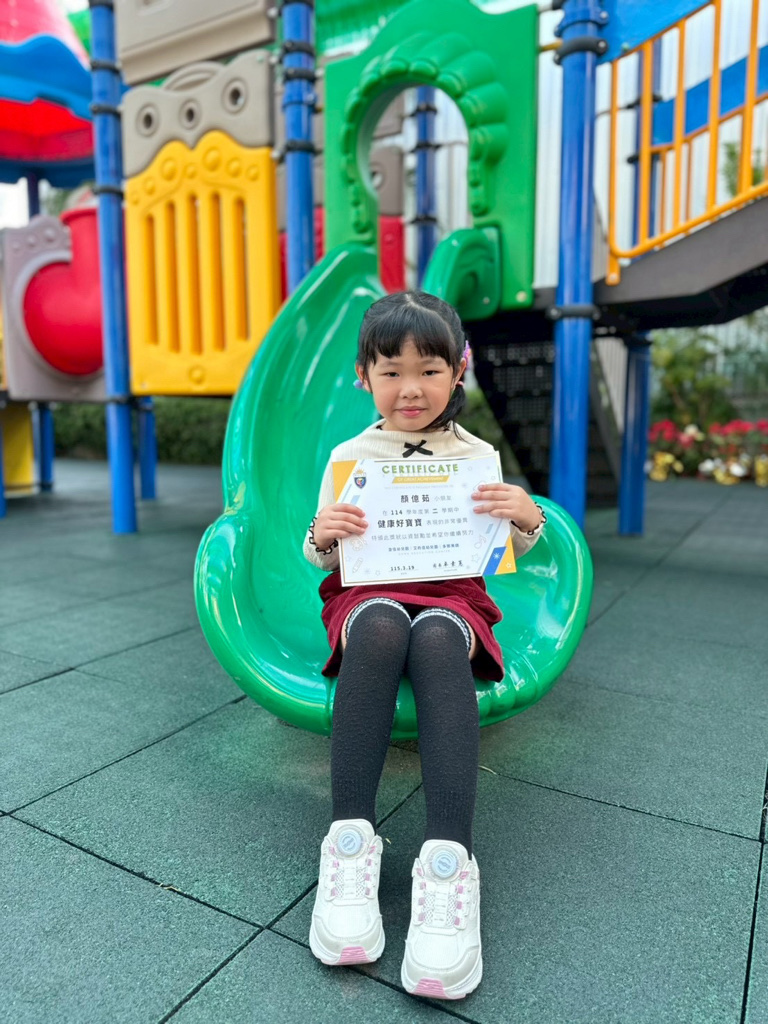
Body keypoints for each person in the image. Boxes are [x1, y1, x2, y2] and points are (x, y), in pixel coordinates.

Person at [302, 291, 545, 1000]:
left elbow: (504, 549)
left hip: (451, 596)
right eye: (392, 372)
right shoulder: (351, 457)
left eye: (430, 371)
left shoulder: (476, 456)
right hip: (369, 592)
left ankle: (448, 862)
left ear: (458, 370)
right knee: (382, 624)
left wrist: (525, 517)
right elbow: (321, 555)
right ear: (364, 377)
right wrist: (323, 533)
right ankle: (350, 843)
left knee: (437, 638)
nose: (411, 388)